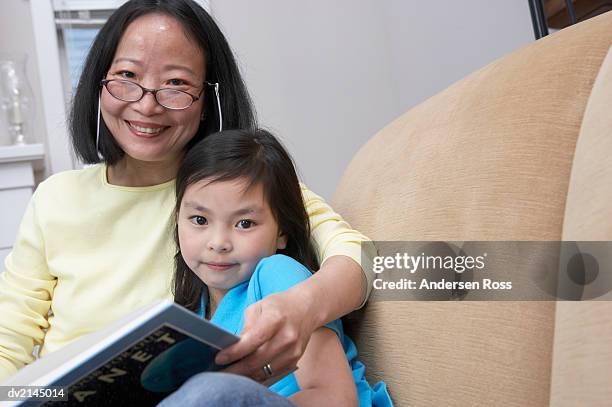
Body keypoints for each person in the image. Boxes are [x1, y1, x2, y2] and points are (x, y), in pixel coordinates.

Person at [0, 0, 376, 390]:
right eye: (126, 75)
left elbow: (361, 257)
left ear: (208, 98)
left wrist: (303, 307)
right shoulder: (55, 199)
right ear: (99, 83)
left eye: (176, 84)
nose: (147, 104)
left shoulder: (234, 194)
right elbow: (8, 340)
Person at [160, 128, 392, 406]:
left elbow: (336, 398)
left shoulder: (277, 275)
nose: (218, 242)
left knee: (212, 391)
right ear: (177, 219)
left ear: (281, 231)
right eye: (199, 220)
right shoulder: (192, 310)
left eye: (244, 223)